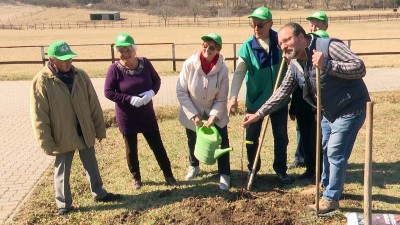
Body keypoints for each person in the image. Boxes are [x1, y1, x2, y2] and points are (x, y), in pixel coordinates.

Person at [242, 22, 370, 214]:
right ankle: (326, 186)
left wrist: (327, 64)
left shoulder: (328, 46)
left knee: (335, 151)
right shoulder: (294, 64)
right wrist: (259, 114)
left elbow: (359, 67)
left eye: (287, 40)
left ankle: (331, 199)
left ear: (302, 37)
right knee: (325, 149)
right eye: (281, 43)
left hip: (350, 107)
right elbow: (282, 93)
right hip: (328, 111)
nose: (284, 46)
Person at [30, 41, 122, 216]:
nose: (68, 63)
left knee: (91, 164)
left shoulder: (81, 75)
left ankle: (99, 192)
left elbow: (93, 103)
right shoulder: (42, 81)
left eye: (70, 59)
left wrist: (99, 128)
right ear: (51, 59)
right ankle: (63, 203)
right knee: (62, 169)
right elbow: (39, 115)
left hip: (84, 130)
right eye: (63, 60)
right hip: (61, 135)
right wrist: (46, 142)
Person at [227, 6, 292, 184]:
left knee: (281, 137)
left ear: (270, 24)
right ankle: (253, 169)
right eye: (253, 24)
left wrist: (290, 56)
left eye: (260, 25)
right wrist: (233, 97)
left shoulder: (281, 41)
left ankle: (280, 170)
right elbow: (239, 72)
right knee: (251, 139)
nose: (256, 28)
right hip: (255, 102)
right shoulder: (248, 46)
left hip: (279, 100)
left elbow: (295, 64)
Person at [104, 33, 177, 190]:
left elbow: (157, 80)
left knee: (157, 145)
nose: (125, 54)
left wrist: (152, 92)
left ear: (134, 50)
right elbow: (108, 92)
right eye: (121, 51)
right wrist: (129, 99)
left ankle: (168, 175)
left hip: (146, 115)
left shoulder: (145, 63)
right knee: (131, 149)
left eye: (128, 50)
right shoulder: (114, 69)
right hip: (127, 116)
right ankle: (136, 177)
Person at [176, 33, 231, 190]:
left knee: (222, 141)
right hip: (192, 108)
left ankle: (224, 174)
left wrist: (213, 116)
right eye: (205, 46)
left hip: (215, 110)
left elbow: (221, 98)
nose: (207, 49)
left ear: (218, 50)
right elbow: (181, 91)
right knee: (192, 138)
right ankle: (194, 166)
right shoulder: (189, 64)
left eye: (212, 47)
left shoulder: (223, 70)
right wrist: (193, 115)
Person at [288, 29, 330, 180]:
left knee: (317, 141)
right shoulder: (297, 62)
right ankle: (310, 168)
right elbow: (292, 90)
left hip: (317, 109)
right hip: (302, 107)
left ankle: (320, 171)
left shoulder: (318, 60)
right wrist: (292, 109)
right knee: (305, 140)